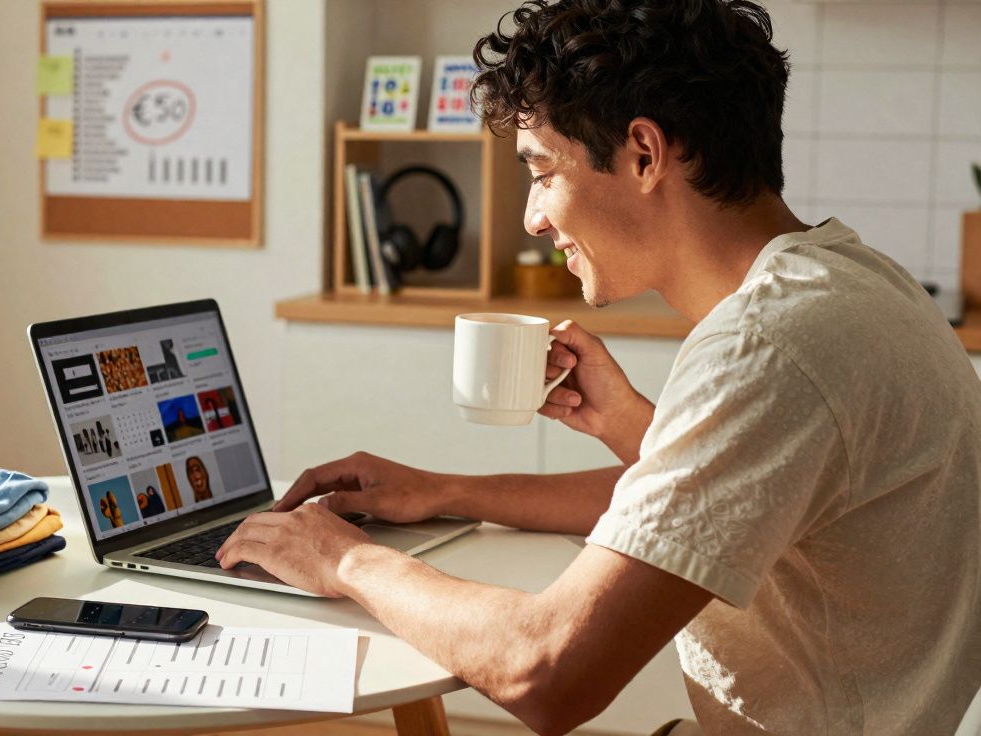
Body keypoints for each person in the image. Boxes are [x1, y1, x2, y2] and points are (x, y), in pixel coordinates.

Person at [216, 1, 981, 734]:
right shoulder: (856, 280)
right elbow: (743, 504)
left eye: (542, 171)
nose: (532, 216)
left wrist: (343, 558)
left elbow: (544, 672)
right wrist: (455, 489)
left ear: (645, 154)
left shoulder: (769, 345)